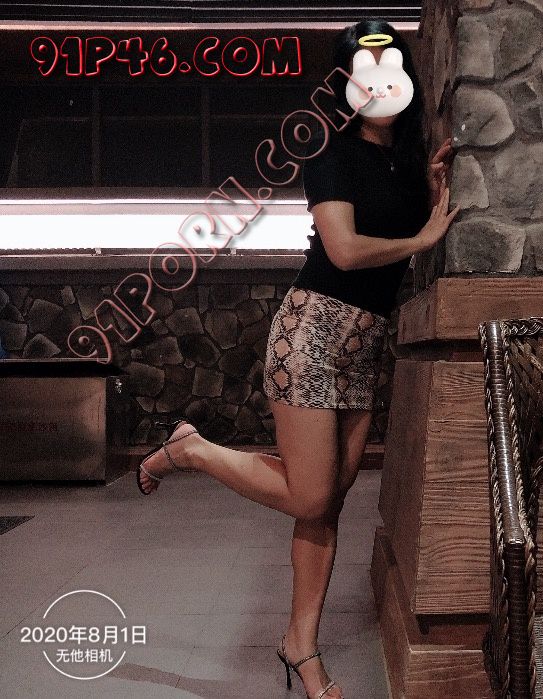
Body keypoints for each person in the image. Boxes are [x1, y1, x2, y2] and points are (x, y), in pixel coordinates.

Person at [136, 18, 457, 699]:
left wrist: (429, 190)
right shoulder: (330, 153)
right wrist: (424, 236)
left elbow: (395, 227)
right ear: (345, 84)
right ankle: (192, 450)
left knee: (325, 504)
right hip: (311, 332)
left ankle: (300, 646)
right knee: (311, 493)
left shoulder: (406, 160)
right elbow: (344, 250)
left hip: (364, 345)